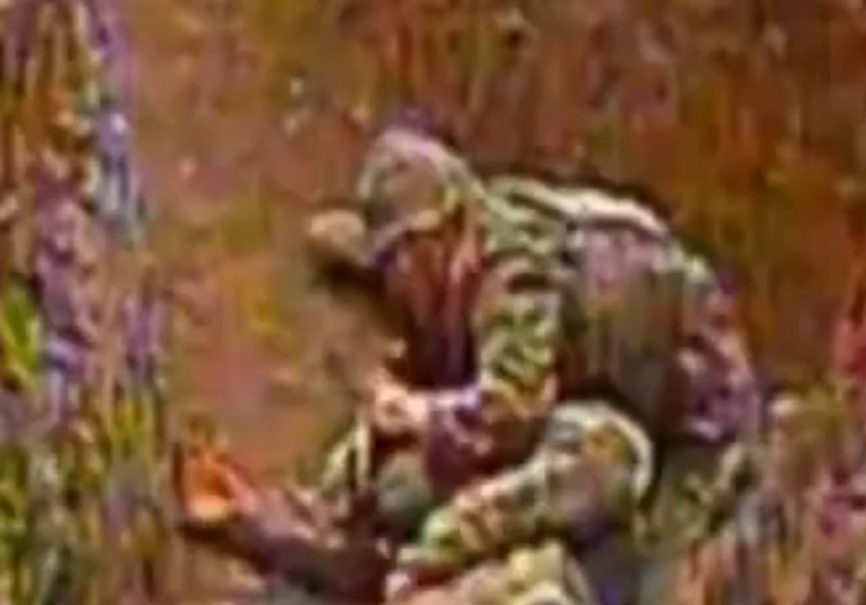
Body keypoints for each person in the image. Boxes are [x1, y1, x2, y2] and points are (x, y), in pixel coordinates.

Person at [175, 125, 753, 604]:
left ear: (437, 241)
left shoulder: (513, 274)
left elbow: (510, 411)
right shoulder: (451, 287)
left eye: (400, 264)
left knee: (648, 573)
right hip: (589, 399)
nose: (396, 290)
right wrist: (260, 521)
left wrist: (430, 543)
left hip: (693, 428)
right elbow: (388, 453)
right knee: (411, 485)